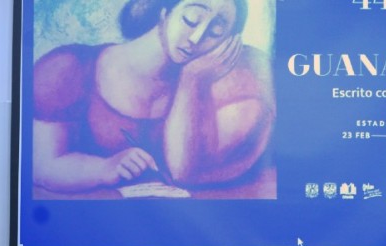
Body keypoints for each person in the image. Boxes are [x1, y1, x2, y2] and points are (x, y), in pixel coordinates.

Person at [33, 0, 275, 197]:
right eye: (190, 19)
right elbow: (42, 166)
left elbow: (182, 174)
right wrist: (103, 168)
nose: (196, 38)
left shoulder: (206, 91)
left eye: (215, 31)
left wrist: (191, 80)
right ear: (165, 11)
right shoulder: (68, 68)